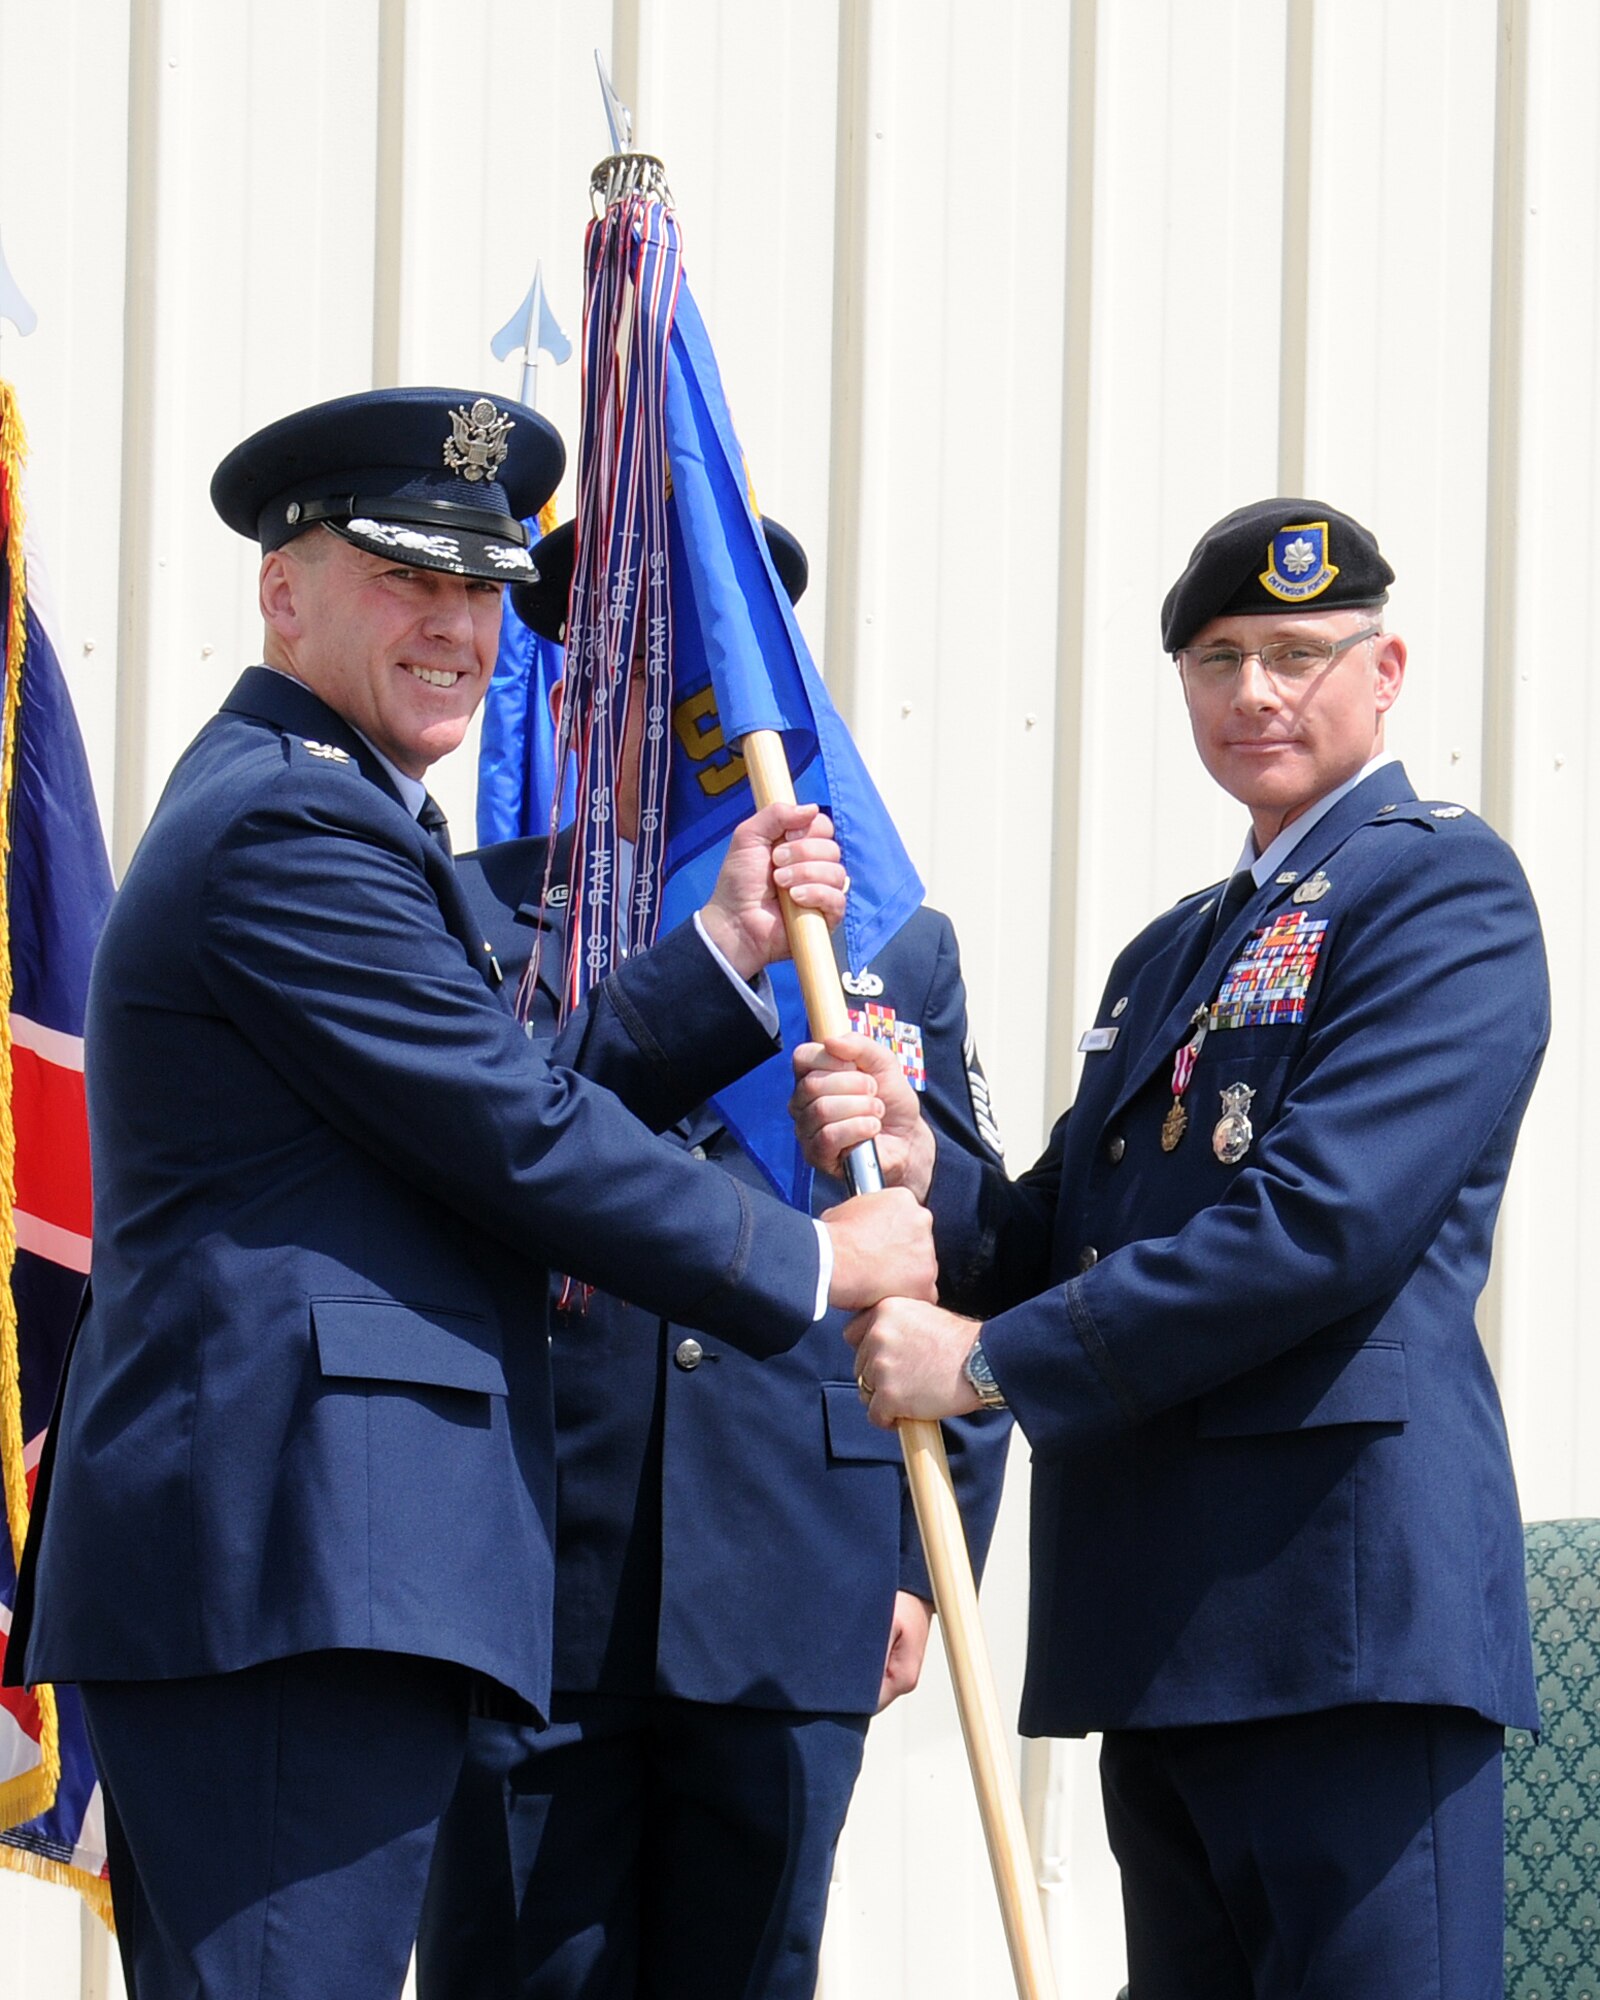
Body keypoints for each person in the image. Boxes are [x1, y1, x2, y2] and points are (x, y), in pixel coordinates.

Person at [4, 387, 936, 2000]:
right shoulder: (293, 820)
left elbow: (498, 1100)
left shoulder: (329, 804)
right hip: (293, 1569)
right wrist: (810, 1260)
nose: (457, 627)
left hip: (310, 1570)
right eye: (404, 578)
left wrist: (714, 954)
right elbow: (515, 1136)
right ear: (282, 589)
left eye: (482, 589)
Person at [793, 499, 1549, 2000]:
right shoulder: (1177, 950)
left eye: (1295, 654)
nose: (1255, 693)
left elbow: (1317, 1231)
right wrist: (931, 1165)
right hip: (1166, 1634)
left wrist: (989, 1364)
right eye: (1217, 660)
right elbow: (1064, 1232)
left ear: (1384, 671)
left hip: (1342, 1623)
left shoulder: (1438, 892)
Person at [415, 515, 1012, 2000]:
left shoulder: (885, 940)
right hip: (534, 1566)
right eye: (609, 679)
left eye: (695, 686)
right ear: (560, 702)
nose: (652, 718)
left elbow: (961, 1253)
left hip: (795, 1567)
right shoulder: (471, 918)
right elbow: (493, 1162)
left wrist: (923, 1569)